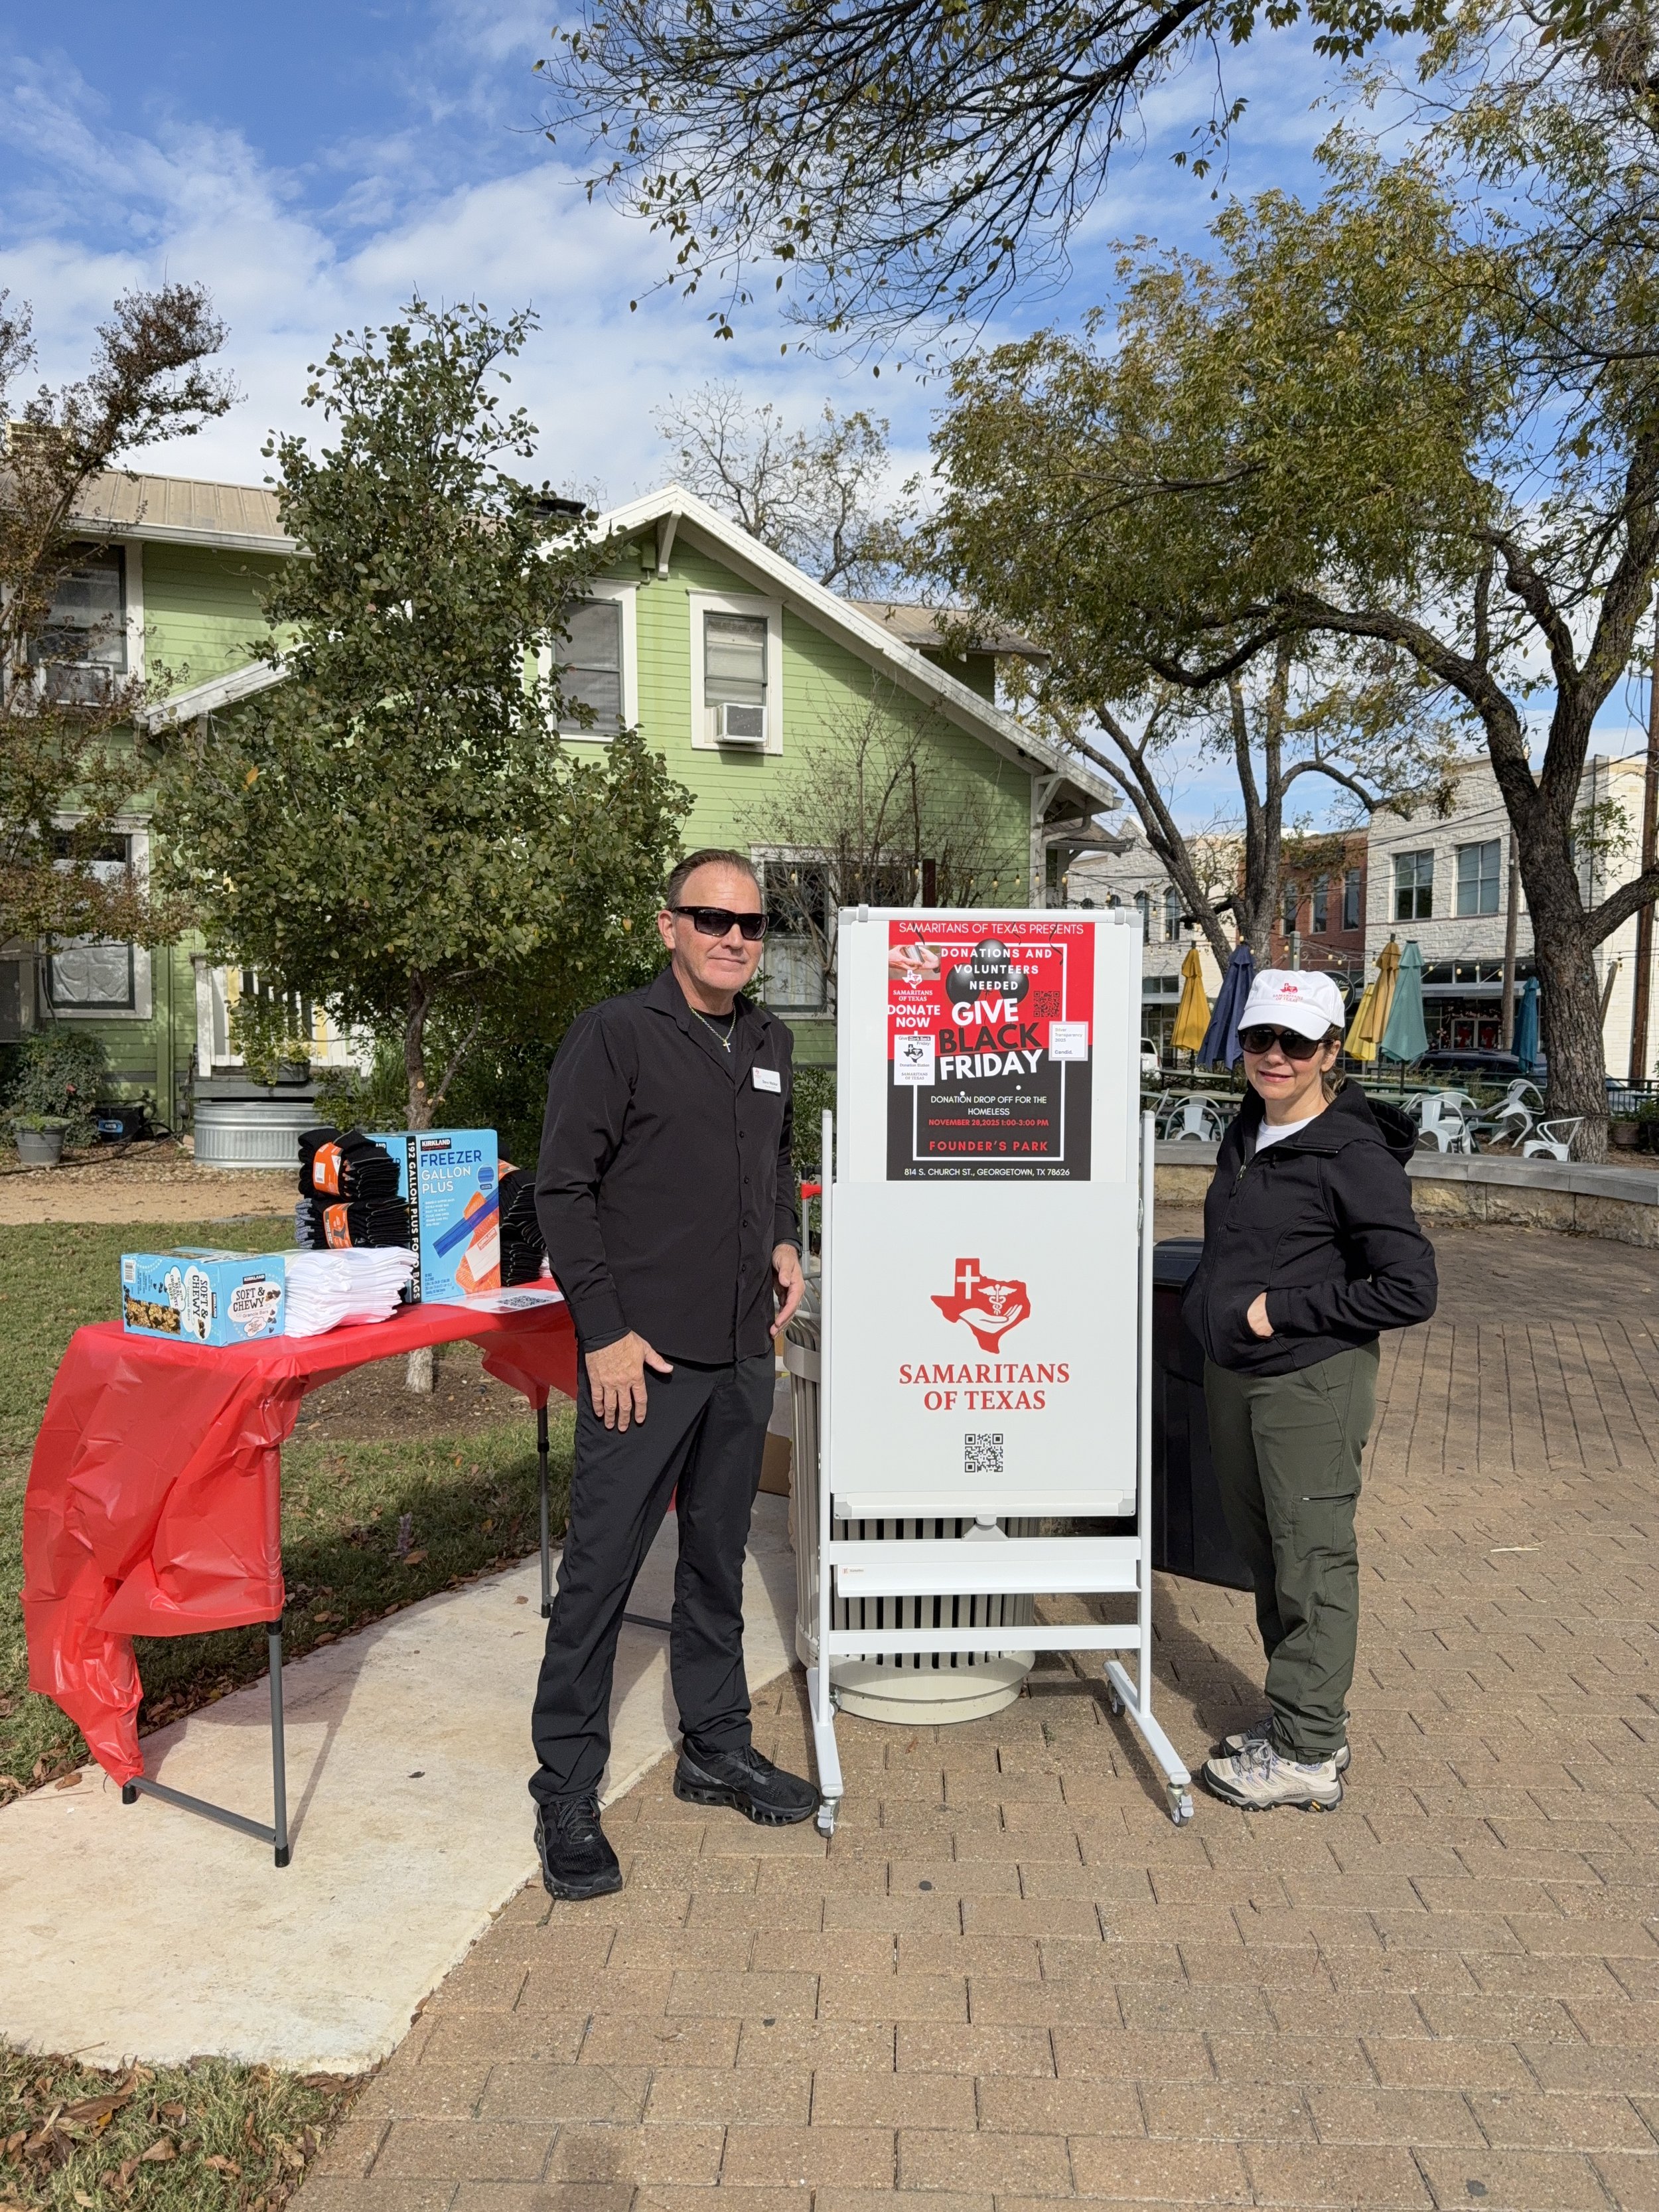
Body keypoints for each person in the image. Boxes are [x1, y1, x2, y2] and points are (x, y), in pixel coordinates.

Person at [530, 849, 817, 1898]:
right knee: (601, 1575)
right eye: (712, 918)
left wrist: (786, 1237)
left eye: (750, 923)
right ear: (669, 926)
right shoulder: (618, 1037)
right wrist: (602, 1331)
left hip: (742, 1352)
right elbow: (562, 1189)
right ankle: (564, 1782)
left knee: (716, 1561)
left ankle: (714, 1743)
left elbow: (775, 1163)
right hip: (641, 1363)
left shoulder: (771, 1041)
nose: (735, 936)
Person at [1184, 968, 1437, 1812]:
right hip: (1239, 1378)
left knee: (1313, 1562)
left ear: (1331, 1051)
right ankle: (1298, 1716)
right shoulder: (1248, 1131)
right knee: (1268, 1559)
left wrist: (1277, 1311)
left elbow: (1410, 1287)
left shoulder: (1353, 1156)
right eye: (1260, 1039)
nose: (1274, 1057)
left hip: (1309, 1383)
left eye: (1296, 1043)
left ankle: (1309, 1753)